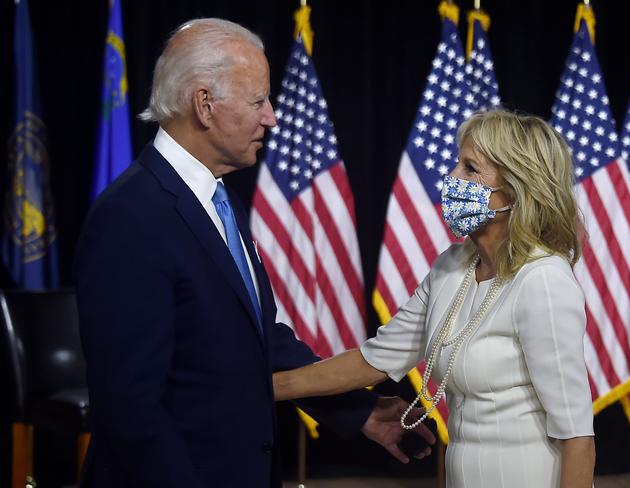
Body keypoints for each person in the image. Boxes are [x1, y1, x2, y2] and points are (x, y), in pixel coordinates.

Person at [75, 18, 435, 488]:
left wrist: (358, 412)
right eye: (258, 100)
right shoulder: (131, 217)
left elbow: (257, 338)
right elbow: (130, 407)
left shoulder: (219, 199)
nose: (271, 116)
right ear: (204, 104)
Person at [273, 109, 596, 487]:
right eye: (458, 164)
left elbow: (576, 436)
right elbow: (373, 360)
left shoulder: (543, 279)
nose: (452, 178)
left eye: (470, 168)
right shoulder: (452, 267)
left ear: (516, 188)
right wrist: (270, 387)